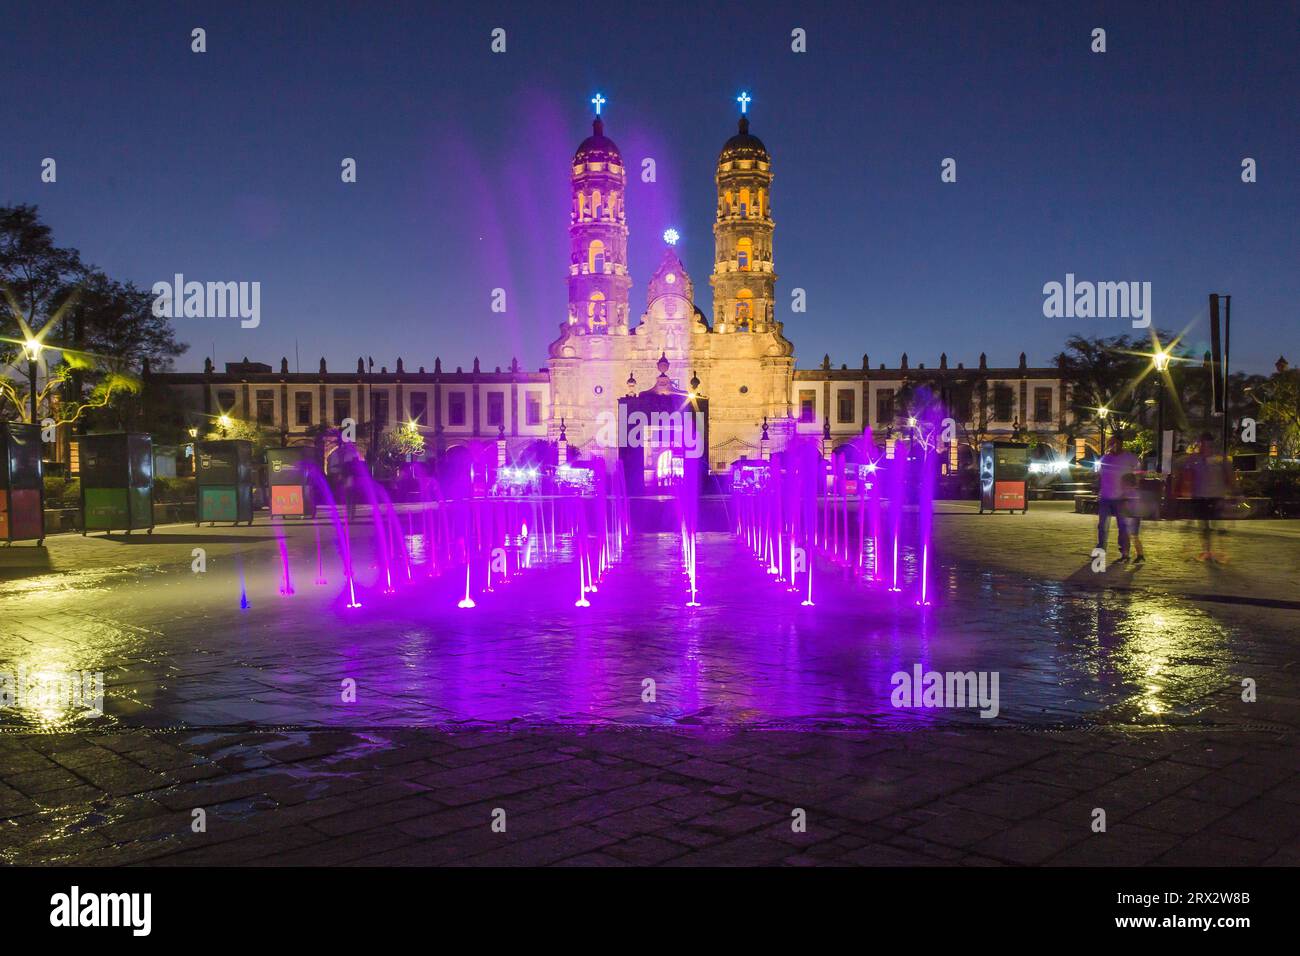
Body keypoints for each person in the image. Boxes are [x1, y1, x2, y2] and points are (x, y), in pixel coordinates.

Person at [1186, 432, 1234, 562]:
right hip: (1199, 496)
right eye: (1202, 444)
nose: (1203, 447)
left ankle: (1221, 552)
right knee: (1204, 526)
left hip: (1216, 496)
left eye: (1206, 444)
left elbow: (1229, 476)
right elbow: (1187, 474)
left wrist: (1232, 492)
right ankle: (1207, 551)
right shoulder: (1194, 459)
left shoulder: (1220, 459)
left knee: (1218, 525)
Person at [1097, 436, 1139, 561]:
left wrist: (1131, 489)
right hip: (1105, 496)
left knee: (1123, 526)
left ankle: (1124, 551)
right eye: (1110, 443)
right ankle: (1101, 549)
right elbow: (1100, 475)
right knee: (1102, 525)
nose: (1112, 445)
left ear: (1121, 443)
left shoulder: (1129, 457)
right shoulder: (1105, 457)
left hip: (1122, 497)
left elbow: (1138, 471)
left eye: (1114, 443)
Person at [1121, 471, 1146, 564]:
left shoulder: (1132, 492)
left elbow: (1131, 504)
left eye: (1123, 482)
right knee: (1130, 536)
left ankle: (1140, 555)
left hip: (1133, 517)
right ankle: (1129, 555)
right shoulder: (1131, 491)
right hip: (1131, 516)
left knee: (1134, 536)